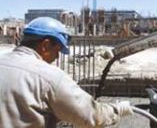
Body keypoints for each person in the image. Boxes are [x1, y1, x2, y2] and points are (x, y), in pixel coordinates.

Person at [0, 17, 133, 128]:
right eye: (57, 50)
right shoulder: (49, 76)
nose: (57, 57)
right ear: (45, 45)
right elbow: (90, 116)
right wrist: (116, 110)